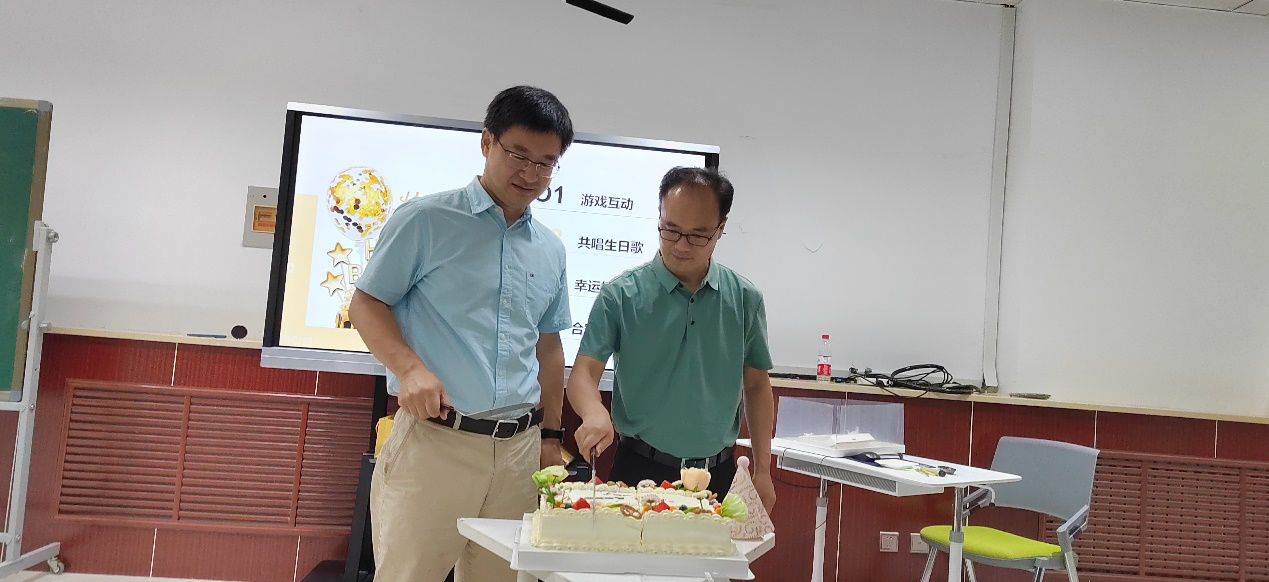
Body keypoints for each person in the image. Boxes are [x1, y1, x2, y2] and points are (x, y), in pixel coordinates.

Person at [349, 85, 574, 582]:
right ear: (487, 141)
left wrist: (551, 437)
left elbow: (548, 346)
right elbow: (366, 303)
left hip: (520, 451)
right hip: (436, 443)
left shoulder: (550, 249)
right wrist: (410, 370)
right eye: (519, 154)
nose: (531, 174)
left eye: (546, 163)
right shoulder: (426, 220)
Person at [566, 166, 777, 511]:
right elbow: (584, 373)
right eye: (670, 230)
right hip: (638, 469)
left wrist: (763, 470)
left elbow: (756, 385)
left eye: (697, 236)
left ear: (721, 228)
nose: (680, 245)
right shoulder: (621, 295)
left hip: (717, 474)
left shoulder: (744, 298)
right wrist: (593, 412)